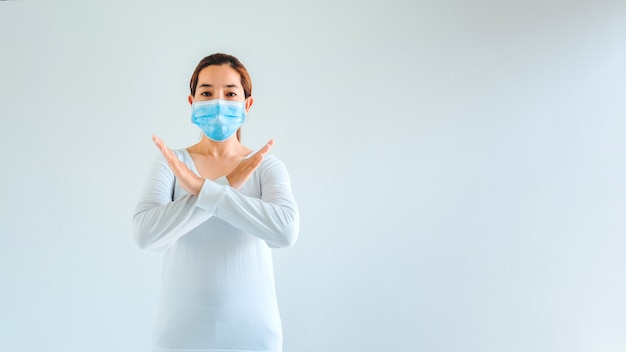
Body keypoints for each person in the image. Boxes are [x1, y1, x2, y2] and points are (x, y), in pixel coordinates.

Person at [133, 53, 300, 352]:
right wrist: (224, 188)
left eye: (230, 93)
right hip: (180, 335)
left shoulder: (265, 166)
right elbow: (146, 236)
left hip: (255, 335)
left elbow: (285, 232)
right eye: (207, 92)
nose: (218, 101)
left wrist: (202, 189)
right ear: (192, 102)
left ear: (247, 104)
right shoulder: (171, 164)